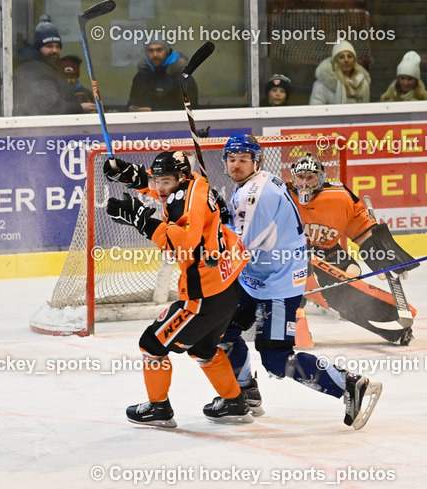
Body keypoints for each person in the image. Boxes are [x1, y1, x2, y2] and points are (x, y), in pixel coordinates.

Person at [216, 134, 382, 429]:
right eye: (232, 159)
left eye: (243, 159)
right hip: (257, 279)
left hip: (277, 286)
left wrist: (214, 224)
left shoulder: (253, 195)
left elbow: (238, 247)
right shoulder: (263, 180)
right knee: (220, 331)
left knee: (276, 359)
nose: (236, 165)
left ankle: (349, 384)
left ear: (256, 162)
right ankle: (243, 394)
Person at [102, 151, 251, 427]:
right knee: (203, 350)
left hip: (203, 296)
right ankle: (234, 403)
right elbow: (166, 191)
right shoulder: (195, 183)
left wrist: (142, 221)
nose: (159, 187)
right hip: (226, 289)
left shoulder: (184, 203)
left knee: (151, 345)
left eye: (166, 181)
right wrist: (132, 176)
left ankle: (158, 408)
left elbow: (182, 245)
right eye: (157, 180)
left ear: (180, 178)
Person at [289, 153, 417, 345]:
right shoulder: (283, 196)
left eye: (310, 177)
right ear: (293, 177)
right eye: (300, 177)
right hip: (293, 255)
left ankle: (387, 322)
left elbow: (363, 230)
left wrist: (382, 256)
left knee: (352, 272)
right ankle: (301, 307)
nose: (305, 183)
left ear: (321, 178)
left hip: (327, 251)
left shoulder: (340, 197)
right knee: (299, 278)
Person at [0, 15, 93, 117]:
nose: (55, 50)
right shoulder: (34, 69)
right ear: (38, 48)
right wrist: (80, 108)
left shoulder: (42, 66)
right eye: (49, 46)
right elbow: (50, 107)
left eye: (57, 46)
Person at [127, 40, 196, 112]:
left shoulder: (182, 78)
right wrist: (131, 108)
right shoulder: (142, 75)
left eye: (159, 50)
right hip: (141, 118)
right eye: (150, 51)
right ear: (146, 53)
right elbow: (132, 102)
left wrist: (153, 110)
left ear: (167, 52)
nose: (155, 55)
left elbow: (191, 109)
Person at [310, 40, 370, 105]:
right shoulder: (322, 86)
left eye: (349, 56)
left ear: (354, 60)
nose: (346, 60)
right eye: (341, 57)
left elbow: (366, 109)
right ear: (335, 61)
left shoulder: (363, 84)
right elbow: (316, 109)